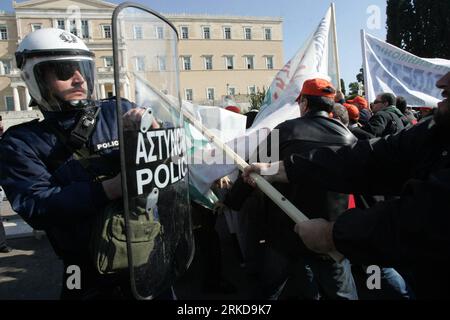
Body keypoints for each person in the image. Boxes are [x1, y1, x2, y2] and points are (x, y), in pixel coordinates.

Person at [242, 71, 450, 299]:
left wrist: (334, 234)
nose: (441, 82)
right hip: (335, 231)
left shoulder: (283, 129)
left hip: (299, 232)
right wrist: (279, 169)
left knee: (283, 287)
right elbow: (366, 157)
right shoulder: (349, 133)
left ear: (303, 102)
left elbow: (425, 215)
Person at [0, 28, 158, 299]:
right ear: (37, 79)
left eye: (83, 69)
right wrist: (109, 189)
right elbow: (37, 206)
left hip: (144, 250)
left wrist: (154, 135)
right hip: (82, 266)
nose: (79, 79)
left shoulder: (118, 111)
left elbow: (159, 170)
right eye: (64, 71)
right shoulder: (21, 141)